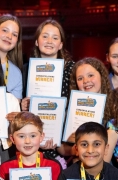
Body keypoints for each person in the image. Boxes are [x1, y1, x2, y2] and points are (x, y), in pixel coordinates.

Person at [21, 19, 75, 156]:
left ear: (61, 44)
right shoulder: (26, 70)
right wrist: (22, 106)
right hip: (31, 141)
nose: (49, 41)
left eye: (55, 37)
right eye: (45, 36)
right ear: (36, 41)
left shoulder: (72, 70)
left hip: (63, 142)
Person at [57, 57, 113, 158]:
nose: (86, 81)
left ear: (101, 76)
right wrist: (74, 150)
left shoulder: (115, 106)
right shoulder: (69, 110)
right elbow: (62, 148)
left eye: (90, 75)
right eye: (80, 78)